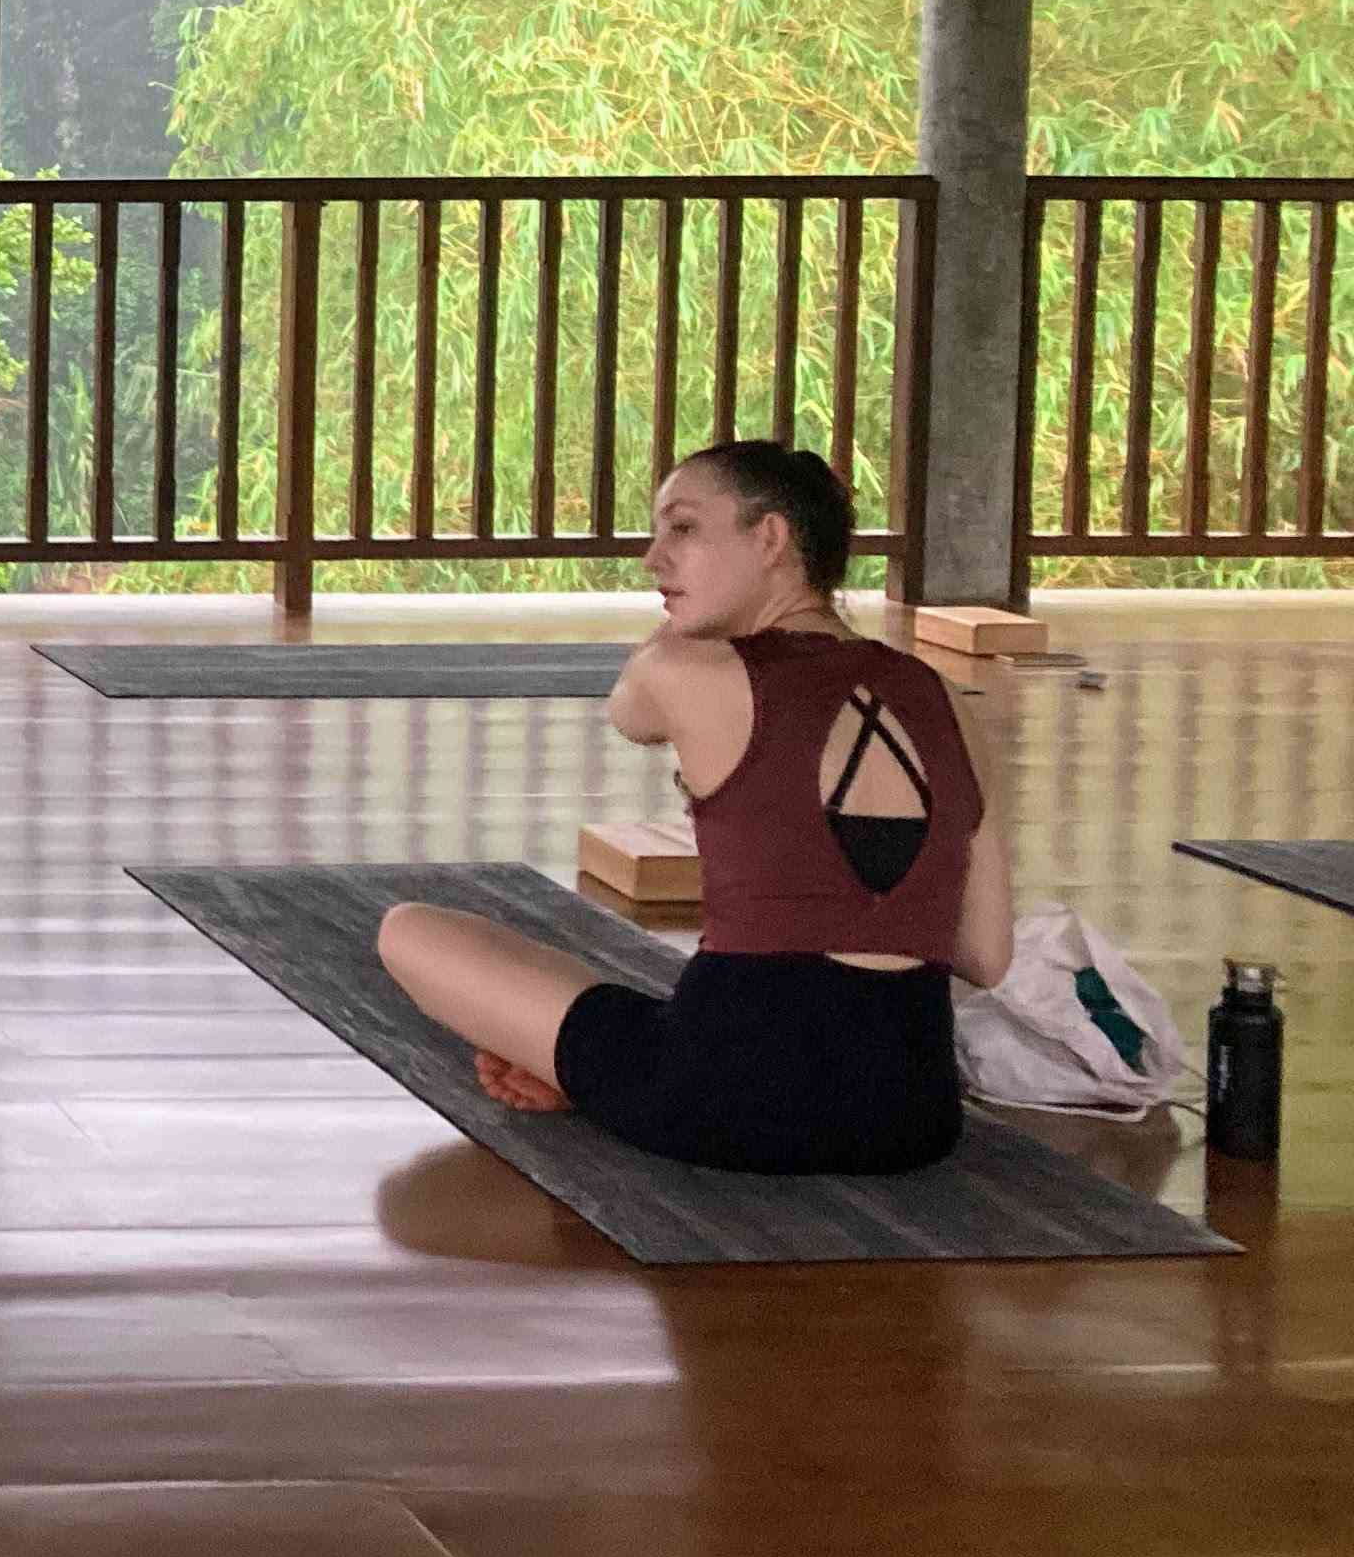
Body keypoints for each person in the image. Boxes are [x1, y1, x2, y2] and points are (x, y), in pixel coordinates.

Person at [375, 440, 1016, 1175]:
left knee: (410, 931)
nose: (654, 559)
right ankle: (600, 1065)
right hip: (913, 1116)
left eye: (682, 528)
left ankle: (586, 1075)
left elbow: (631, 717)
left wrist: (685, 626)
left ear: (771, 539)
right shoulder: (948, 704)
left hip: (716, 1098)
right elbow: (986, 957)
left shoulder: (679, 667)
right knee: (639, 1001)